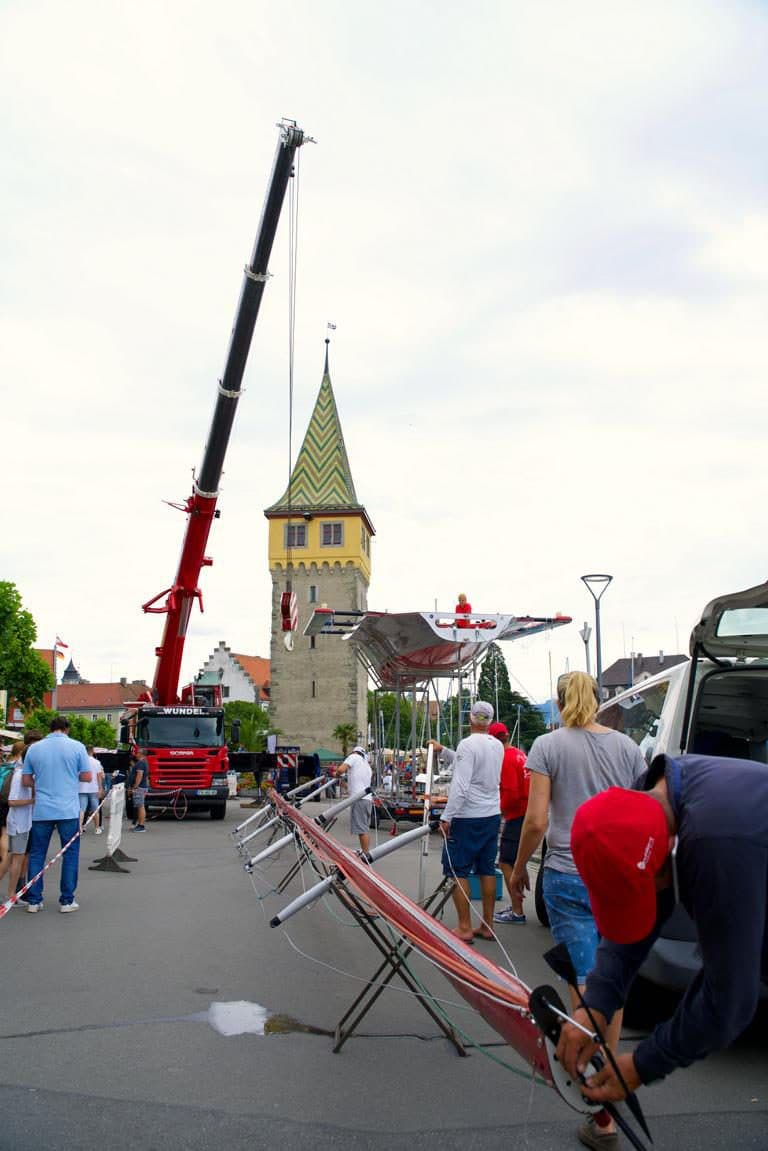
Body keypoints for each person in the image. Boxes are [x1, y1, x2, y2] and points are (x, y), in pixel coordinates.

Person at [557, 752, 768, 1107]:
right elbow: (636, 924)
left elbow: (729, 998)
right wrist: (594, 1005)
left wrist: (643, 1064)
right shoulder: (644, 800)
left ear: (670, 850)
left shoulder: (714, 843)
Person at [508, 671, 645, 1151]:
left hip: (569, 873)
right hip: (619, 877)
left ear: (563, 701)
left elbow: (538, 818)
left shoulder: (548, 745)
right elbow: (640, 812)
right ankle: (606, 1101)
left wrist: (519, 868)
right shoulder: (629, 750)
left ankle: (602, 1107)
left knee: (585, 987)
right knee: (612, 984)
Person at [432, 700, 503, 942]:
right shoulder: (497, 746)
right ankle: (488, 924)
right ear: (490, 720)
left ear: (471, 718)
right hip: (492, 813)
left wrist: (446, 817)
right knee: (486, 869)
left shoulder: (467, 744)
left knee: (457, 869)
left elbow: (461, 787)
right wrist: (445, 751)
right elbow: (477, 765)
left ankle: (464, 926)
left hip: (467, 816)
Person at [22, 716, 93, 913]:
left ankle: (34, 901)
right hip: (67, 809)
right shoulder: (77, 747)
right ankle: (67, 900)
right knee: (70, 854)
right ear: (67, 729)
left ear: (50, 728)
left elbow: (26, 780)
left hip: (42, 809)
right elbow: (87, 777)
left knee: (37, 854)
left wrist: (42, 782)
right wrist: (70, 775)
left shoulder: (34, 749)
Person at [487, 722, 529, 925]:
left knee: (505, 862)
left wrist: (498, 811)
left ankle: (517, 911)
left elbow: (511, 792)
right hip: (527, 813)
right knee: (516, 863)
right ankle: (516, 906)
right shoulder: (520, 754)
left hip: (516, 815)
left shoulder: (505, 759)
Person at [2, 741, 34, 906]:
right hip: (19, 822)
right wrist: (32, 800)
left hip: (19, 821)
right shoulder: (20, 774)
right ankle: (10, 894)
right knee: (17, 859)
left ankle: (10, 894)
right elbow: (12, 801)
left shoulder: (21, 772)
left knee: (10, 858)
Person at [333, 745, 372, 852]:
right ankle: (366, 852)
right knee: (364, 828)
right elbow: (356, 783)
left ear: (354, 752)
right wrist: (343, 783)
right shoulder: (367, 766)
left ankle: (366, 855)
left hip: (359, 798)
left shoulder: (354, 757)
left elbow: (341, 769)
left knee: (361, 829)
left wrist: (336, 774)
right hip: (367, 799)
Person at [79, 745, 104, 835]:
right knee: (95, 809)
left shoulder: (80, 762)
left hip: (81, 788)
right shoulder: (96, 762)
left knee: (82, 809)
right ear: (92, 751)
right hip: (93, 788)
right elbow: (99, 776)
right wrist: (100, 788)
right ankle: (97, 828)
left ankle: (80, 828)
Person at [128, 749, 149, 832]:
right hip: (142, 787)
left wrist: (135, 786)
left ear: (141, 754)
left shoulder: (140, 763)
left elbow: (139, 775)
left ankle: (141, 825)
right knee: (140, 806)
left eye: (137, 753)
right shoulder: (144, 762)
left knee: (140, 806)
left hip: (139, 787)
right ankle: (140, 824)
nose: (136, 754)